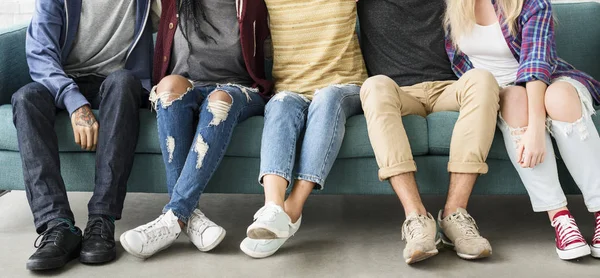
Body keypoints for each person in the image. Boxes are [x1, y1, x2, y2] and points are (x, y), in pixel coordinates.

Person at [444, 0, 600, 260]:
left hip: (547, 79)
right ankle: (560, 218)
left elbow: (536, 64)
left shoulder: (531, 3)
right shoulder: (454, 6)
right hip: (499, 92)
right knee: (514, 99)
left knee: (559, 98)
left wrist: (537, 128)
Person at [11, 0, 158, 271]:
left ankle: (102, 219)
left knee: (124, 81)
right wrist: (74, 101)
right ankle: (57, 224)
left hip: (117, 84)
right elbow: (40, 53)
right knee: (25, 98)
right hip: (65, 81)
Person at [119, 0, 273, 259]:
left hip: (239, 90)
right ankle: (192, 218)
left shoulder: (253, 3)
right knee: (168, 88)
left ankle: (173, 217)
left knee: (219, 101)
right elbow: (133, 23)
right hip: (187, 85)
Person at [357, 0, 499, 264]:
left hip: (448, 87)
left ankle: (455, 215)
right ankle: (416, 218)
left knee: (483, 79)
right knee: (374, 86)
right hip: (399, 92)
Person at [240, 0, 367, 258]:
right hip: (292, 88)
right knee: (279, 103)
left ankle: (292, 209)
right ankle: (273, 210)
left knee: (327, 97)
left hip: (345, 87)